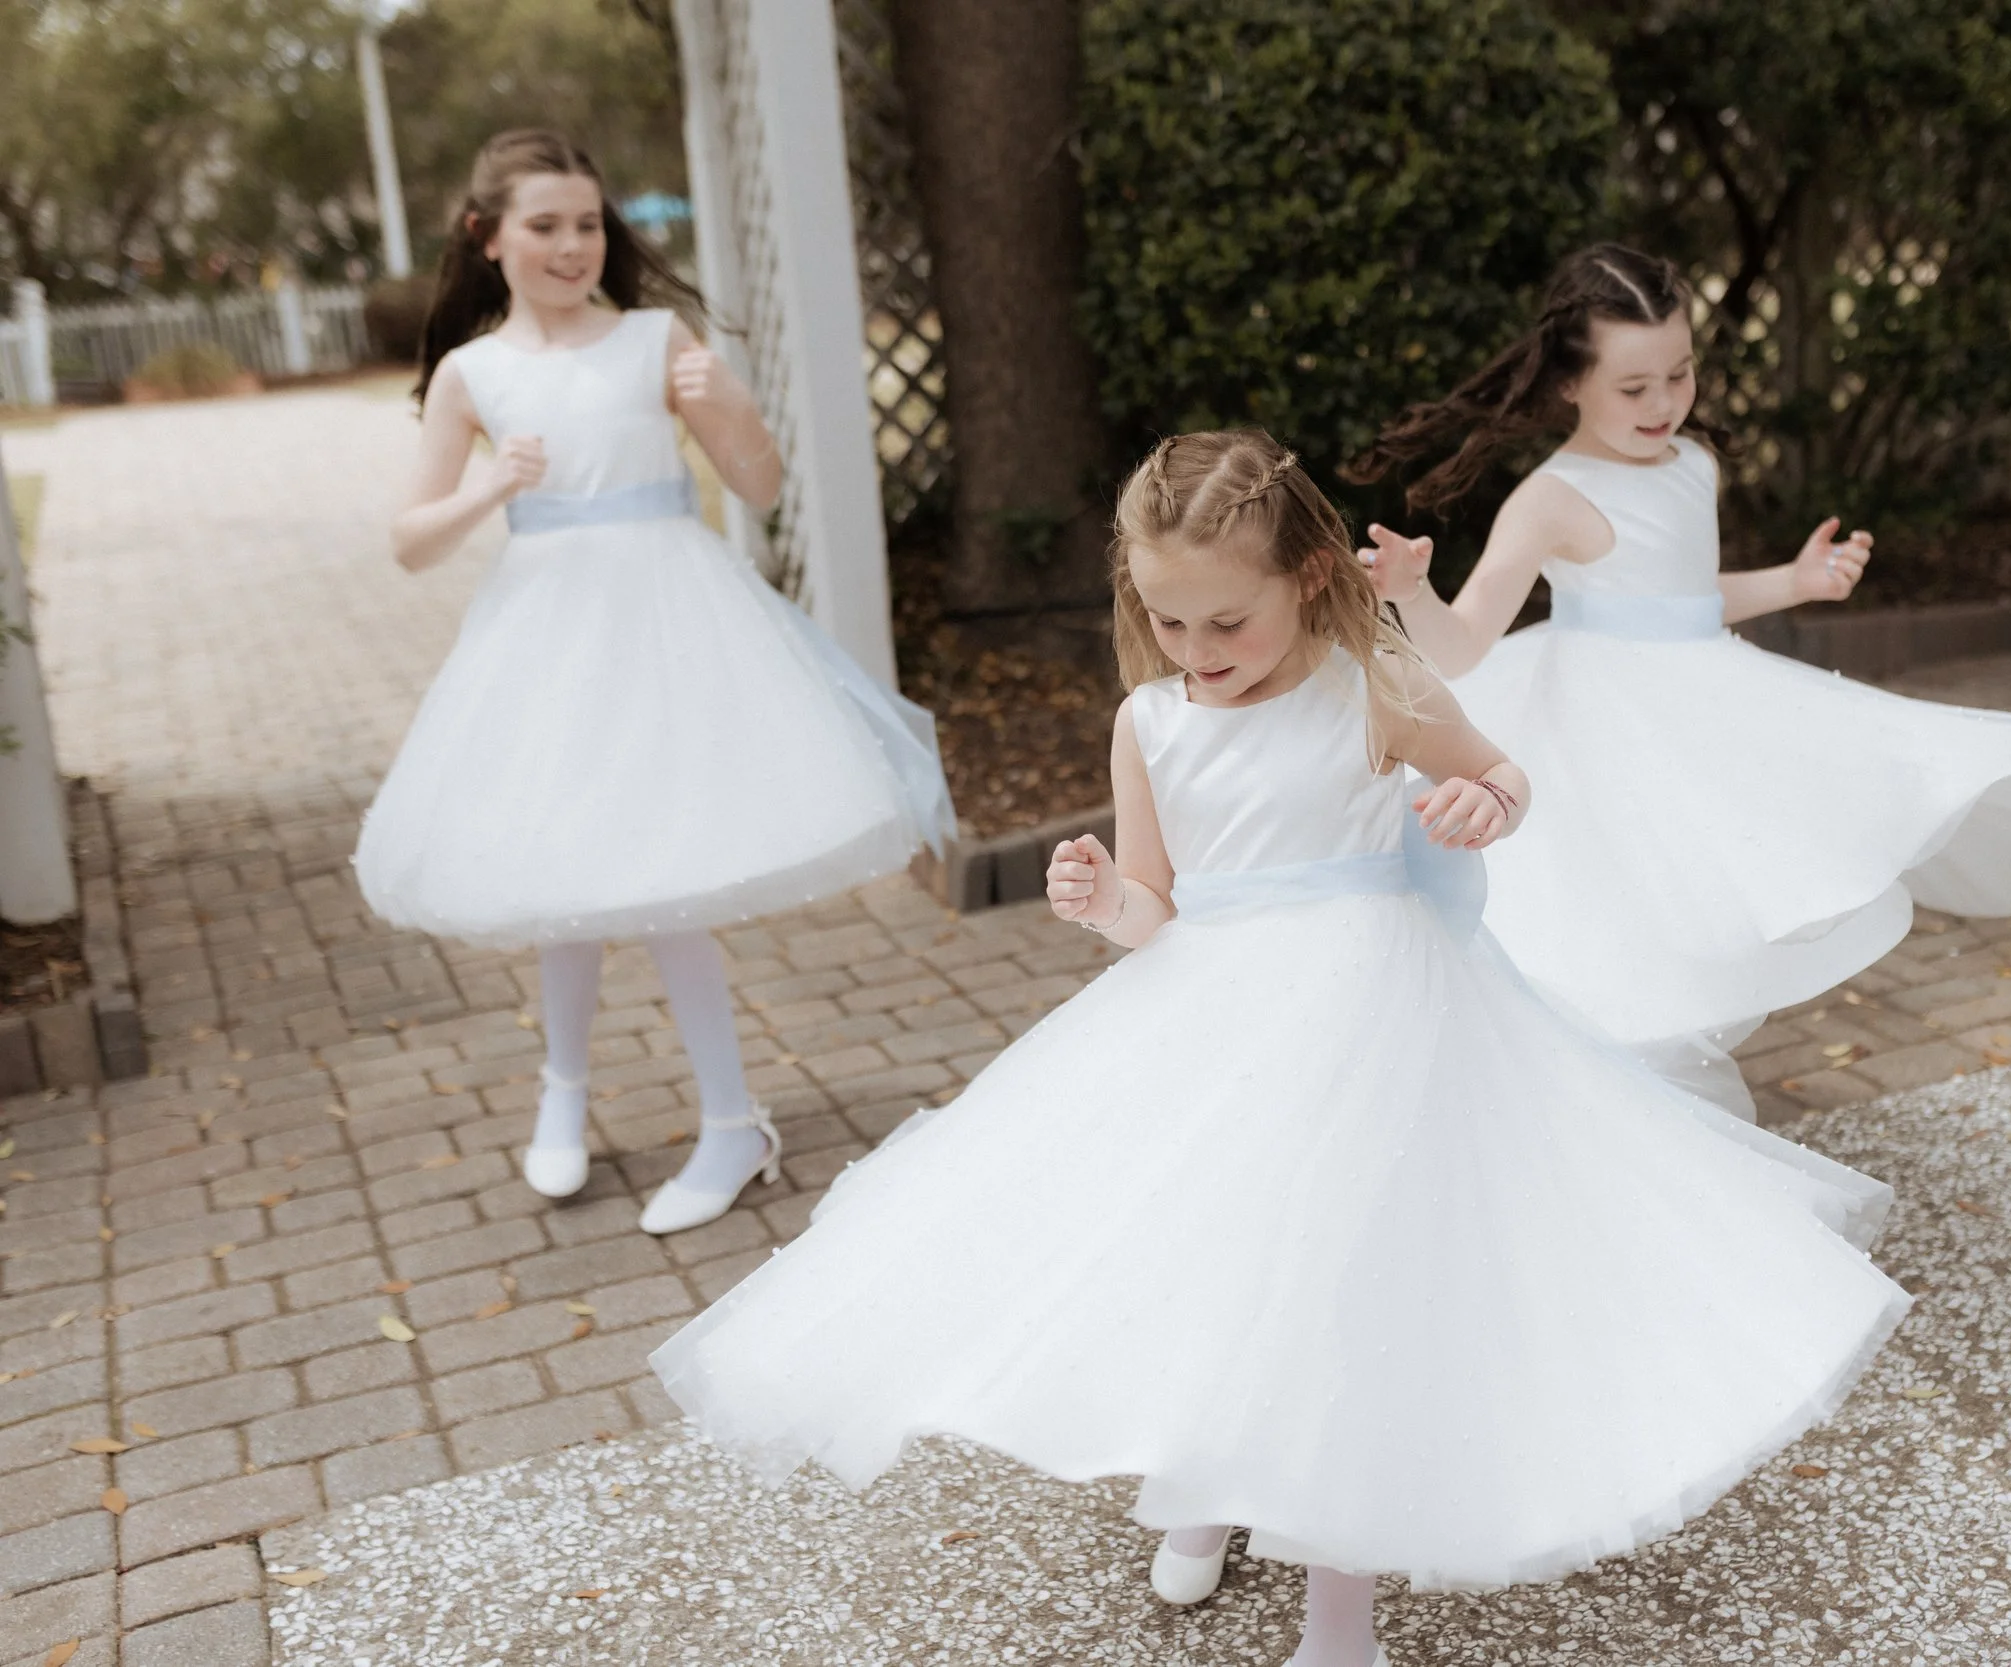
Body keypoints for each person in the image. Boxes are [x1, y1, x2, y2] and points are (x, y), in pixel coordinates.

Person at [651, 430, 1909, 1667]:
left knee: (1339, 1289)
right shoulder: (1150, 721)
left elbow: (1502, 774)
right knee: (1216, 1257)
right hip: (1210, 1021)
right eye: (1169, 620)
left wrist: (1484, 803)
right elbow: (1158, 905)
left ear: (1305, 577)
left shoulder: (1373, 683)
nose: (1196, 649)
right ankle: (1208, 1479)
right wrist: (1105, 899)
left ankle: (1337, 1627)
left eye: (1226, 621)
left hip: (1376, 1020)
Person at [1347, 243, 2011, 1101]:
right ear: (1569, 383)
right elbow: (1463, 645)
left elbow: (1681, 597)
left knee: (1716, 904)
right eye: (1634, 388)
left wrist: (1796, 581)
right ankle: (1605, 1103)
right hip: (1600, 732)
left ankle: (1657, 1103)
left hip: (1703, 709)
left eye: (1680, 374)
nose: (1664, 403)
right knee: (1611, 928)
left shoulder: (1694, 463)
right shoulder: (1550, 497)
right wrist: (1412, 593)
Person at [354, 130, 952, 1236]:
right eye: (545, 225)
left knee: (663, 870)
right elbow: (409, 542)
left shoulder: (651, 339)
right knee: (564, 868)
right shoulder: (473, 373)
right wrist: (491, 489)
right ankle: (564, 1095)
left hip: (671, 626)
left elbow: (758, 485)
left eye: (588, 224)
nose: (572, 245)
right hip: (546, 636)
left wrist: (726, 400)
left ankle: (730, 1122)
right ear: (488, 238)